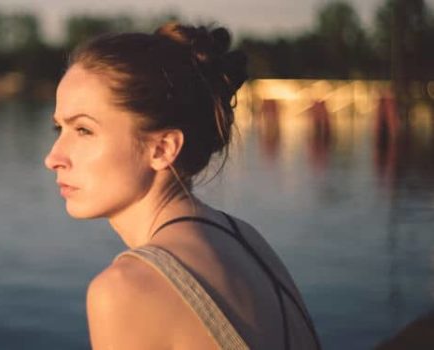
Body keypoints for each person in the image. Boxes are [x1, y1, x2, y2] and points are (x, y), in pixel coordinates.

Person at [44, 22, 321, 350]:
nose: (53, 158)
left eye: (83, 130)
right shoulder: (245, 239)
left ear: (162, 148)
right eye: (58, 128)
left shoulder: (125, 289)